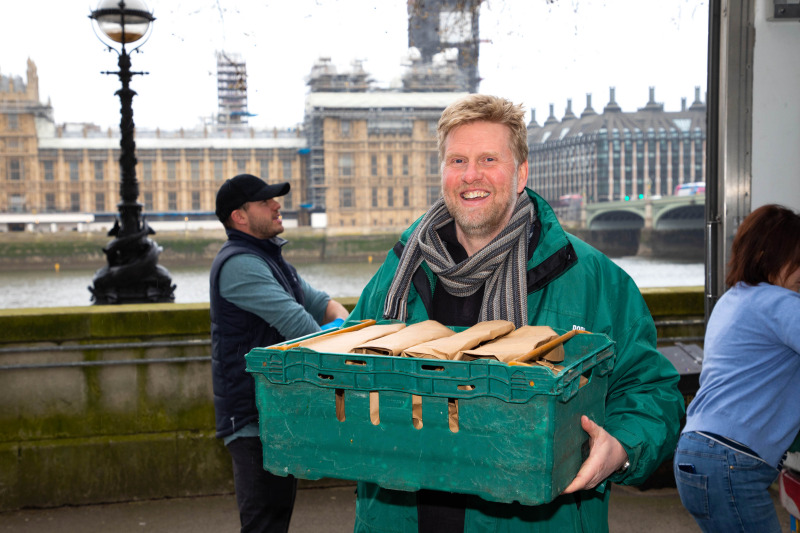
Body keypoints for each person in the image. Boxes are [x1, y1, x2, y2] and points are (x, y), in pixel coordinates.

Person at [347, 94, 685, 532]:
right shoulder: (398, 272)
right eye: (457, 160)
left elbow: (652, 391)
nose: (471, 175)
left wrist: (620, 447)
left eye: (489, 158)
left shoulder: (594, 279)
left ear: (521, 172)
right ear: (443, 173)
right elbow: (348, 367)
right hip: (400, 517)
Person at [209, 173, 349, 533]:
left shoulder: (269, 258)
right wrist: (344, 345)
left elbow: (319, 303)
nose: (277, 205)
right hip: (251, 416)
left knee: (275, 518)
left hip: (273, 411)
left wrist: (346, 326)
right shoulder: (240, 264)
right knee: (263, 522)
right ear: (239, 216)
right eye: (265, 201)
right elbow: (301, 328)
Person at [673, 204, 800, 533]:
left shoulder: (733, 300)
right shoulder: (778, 302)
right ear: (766, 256)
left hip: (697, 450)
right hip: (731, 459)